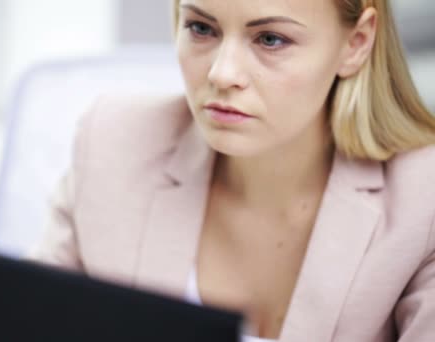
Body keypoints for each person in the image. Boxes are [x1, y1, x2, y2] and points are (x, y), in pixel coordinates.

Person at [28, 0, 435, 341]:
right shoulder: (112, 143)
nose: (221, 74)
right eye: (202, 28)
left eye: (270, 39)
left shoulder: (424, 201)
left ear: (356, 43)